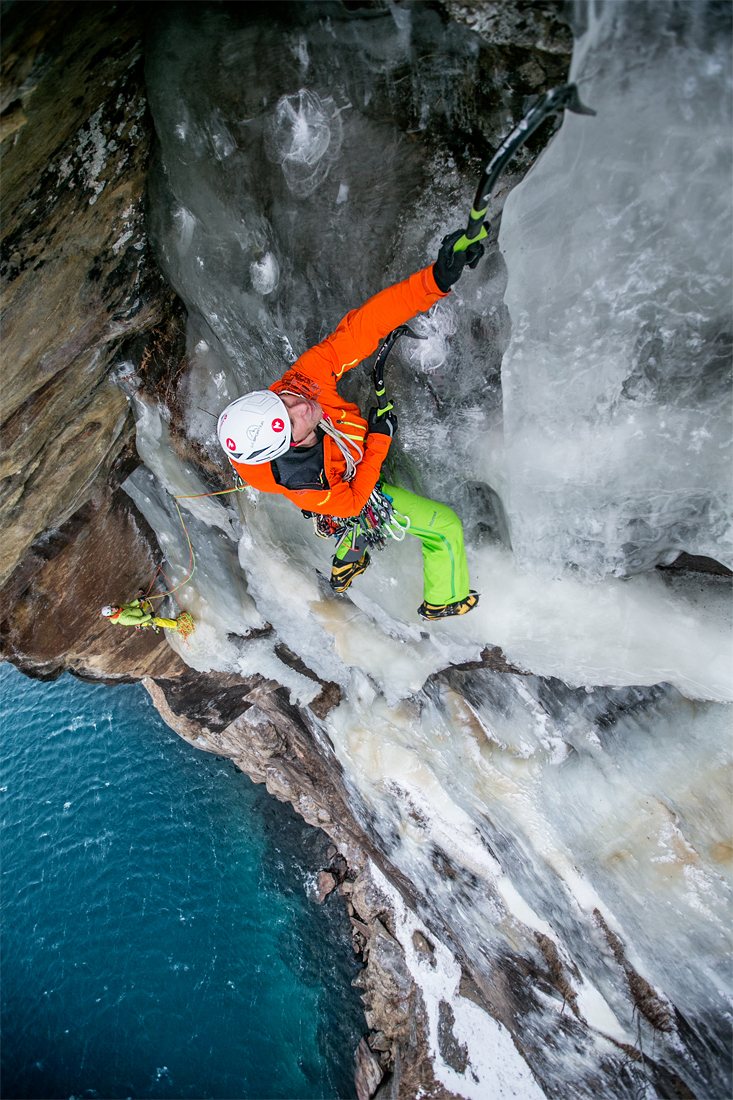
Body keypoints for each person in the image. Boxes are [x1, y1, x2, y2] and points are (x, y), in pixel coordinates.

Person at [216, 231, 484, 620]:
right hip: (340, 490)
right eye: (293, 421)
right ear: (287, 448)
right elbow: (354, 499)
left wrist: (434, 281)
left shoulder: (300, 384)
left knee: (348, 506)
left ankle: (348, 558)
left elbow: (362, 328)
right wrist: (378, 439)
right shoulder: (306, 482)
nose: (303, 405)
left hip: (338, 480)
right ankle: (444, 599)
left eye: (284, 401)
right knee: (444, 526)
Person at [101, 597, 178, 632]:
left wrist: (138, 600)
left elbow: (130, 605)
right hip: (142, 621)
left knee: (146, 602)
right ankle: (175, 624)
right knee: (157, 620)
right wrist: (150, 616)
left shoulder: (119, 607)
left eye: (112, 607)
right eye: (112, 610)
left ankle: (146, 600)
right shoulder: (122, 619)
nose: (114, 608)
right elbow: (139, 620)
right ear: (111, 614)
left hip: (139, 611)